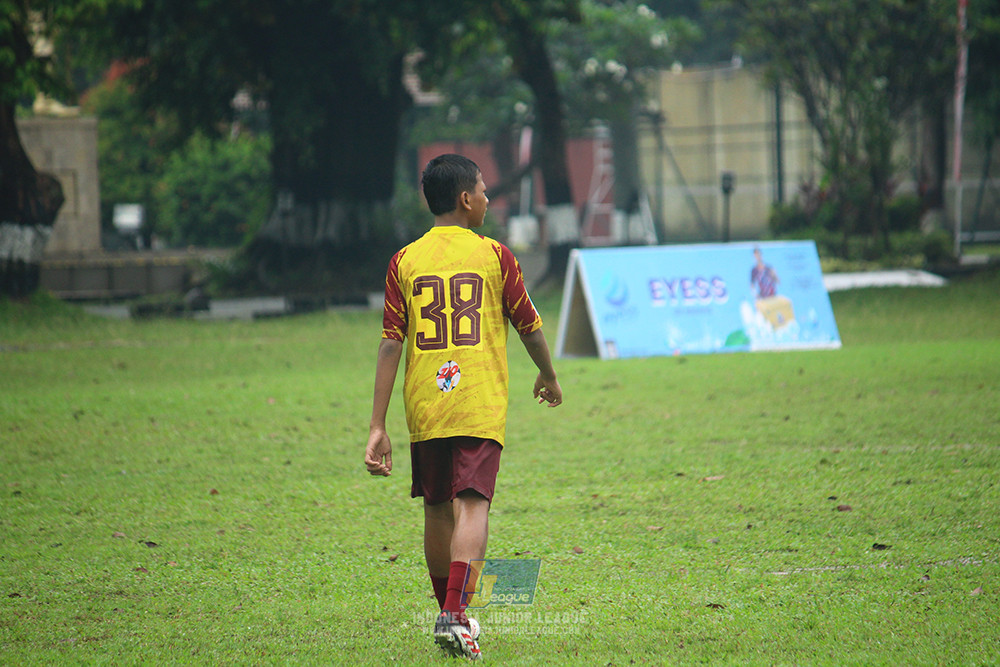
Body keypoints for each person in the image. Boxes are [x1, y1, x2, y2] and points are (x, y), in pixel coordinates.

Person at [364, 154, 563, 660]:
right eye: (483, 190)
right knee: (472, 502)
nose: (488, 199)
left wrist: (376, 425)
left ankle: (451, 616)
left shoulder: (404, 261)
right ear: (465, 199)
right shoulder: (495, 255)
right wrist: (548, 372)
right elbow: (529, 326)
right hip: (476, 400)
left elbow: (391, 343)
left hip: (426, 402)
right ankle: (454, 616)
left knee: (436, 508)